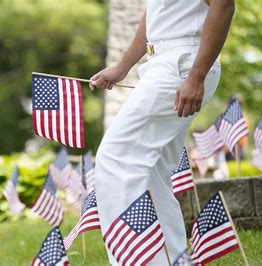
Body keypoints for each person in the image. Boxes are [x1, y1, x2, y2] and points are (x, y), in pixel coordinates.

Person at [89, 1, 235, 264]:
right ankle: (172, 260)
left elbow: (224, 4)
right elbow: (155, 11)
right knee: (152, 172)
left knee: (115, 160)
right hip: (161, 61)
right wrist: (123, 66)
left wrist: (196, 76)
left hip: (182, 63)